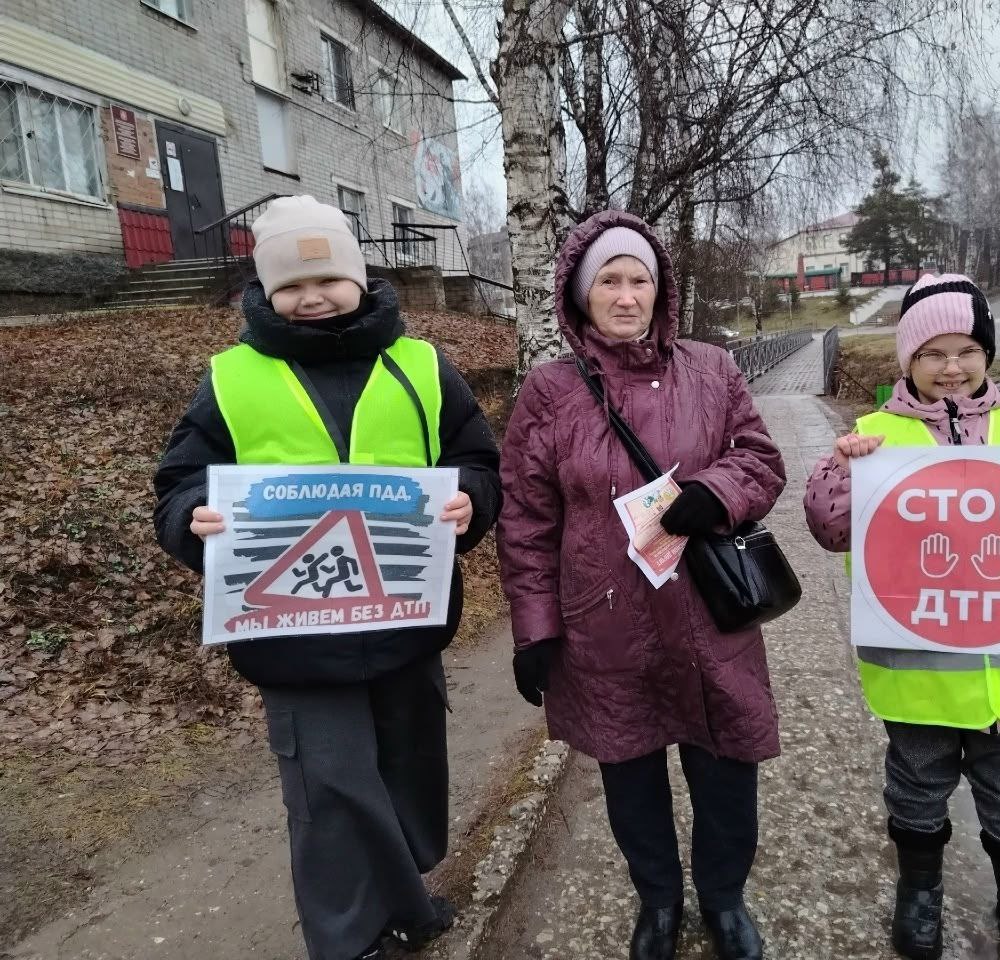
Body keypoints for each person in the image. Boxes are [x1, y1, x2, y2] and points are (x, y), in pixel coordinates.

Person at [153, 195, 501, 960]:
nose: (311, 297)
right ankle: (347, 943)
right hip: (294, 642)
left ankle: (405, 904)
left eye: (327, 280)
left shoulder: (422, 368)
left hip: (406, 627)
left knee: (408, 781)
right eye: (291, 286)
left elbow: (476, 460)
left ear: (359, 276)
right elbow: (178, 485)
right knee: (330, 796)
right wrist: (191, 520)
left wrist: (470, 501)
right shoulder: (232, 380)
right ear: (266, 291)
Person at [803, 273, 1000, 960]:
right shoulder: (874, 436)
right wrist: (840, 472)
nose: (951, 367)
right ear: (908, 361)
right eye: (932, 354)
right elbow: (829, 530)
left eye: (966, 350)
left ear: (986, 354)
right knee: (917, 789)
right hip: (919, 678)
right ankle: (919, 893)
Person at [497, 210, 786, 960]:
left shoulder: (711, 369)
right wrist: (536, 630)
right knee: (630, 776)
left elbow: (760, 458)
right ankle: (658, 901)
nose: (627, 297)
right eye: (609, 281)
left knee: (726, 769)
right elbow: (526, 518)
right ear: (580, 294)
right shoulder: (550, 392)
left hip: (708, 613)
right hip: (605, 622)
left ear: (661, 291)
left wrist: (716, 492)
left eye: (640, 280)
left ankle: (724, 899)